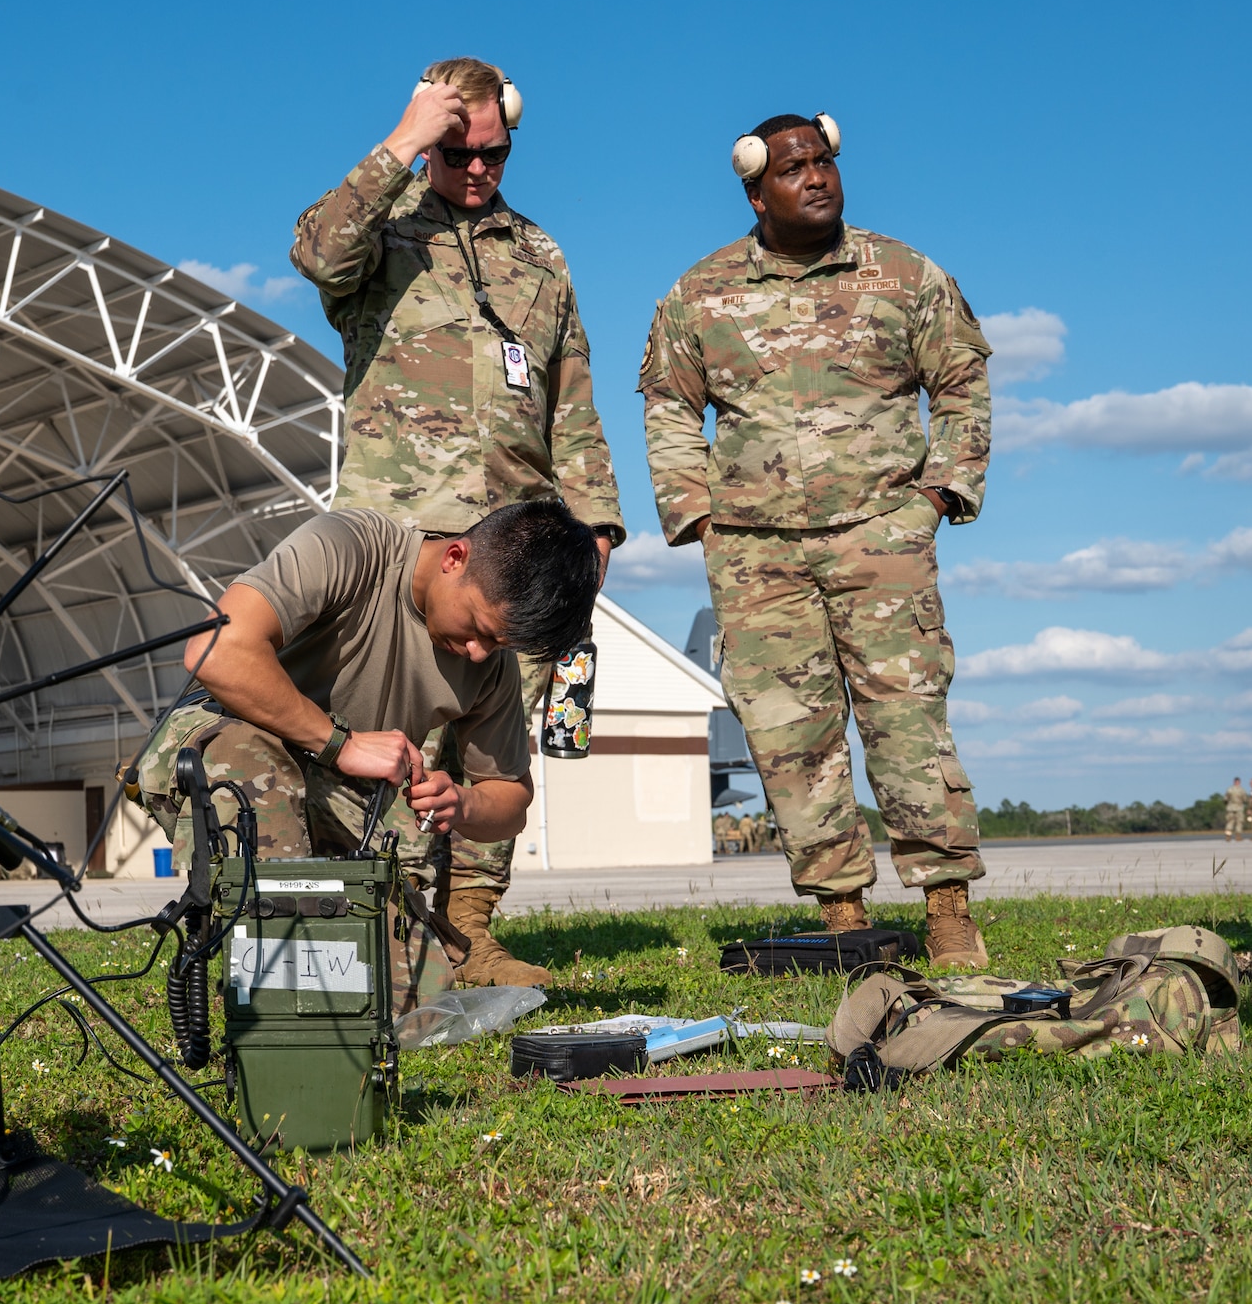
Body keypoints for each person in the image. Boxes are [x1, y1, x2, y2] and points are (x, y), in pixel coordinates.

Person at [290, 56, 625, 988]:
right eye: (458, 151)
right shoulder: (382, 229)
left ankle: (470, 928)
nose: (477, 171)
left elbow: (573, 394)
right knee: (384, 733)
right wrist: (402, 141)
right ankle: (374, 921)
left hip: (514, 545)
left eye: (495, 156)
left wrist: (594, 525)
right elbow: (317, 254)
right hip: (397, 542)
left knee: (492, 749)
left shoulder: (540, 254)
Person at [641, 113, 995, 971]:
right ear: (756, 190)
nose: (818, 178)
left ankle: (947, 911)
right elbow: (668, 402)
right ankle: (843, 919)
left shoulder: (904, 274)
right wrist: (697, 513)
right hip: (758, 553)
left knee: (906, 718)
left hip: (882, 535)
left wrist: (943, 488)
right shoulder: (702, 292)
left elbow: (962, 377)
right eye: (796, 168)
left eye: (825, 162)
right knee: (788, 734)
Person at [131, 499, 599, 968]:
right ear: (455, 558)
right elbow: (216, 650)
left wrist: (463, 802)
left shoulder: (488, 664)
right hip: (219, 745)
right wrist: (341, 744)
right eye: (479, 628)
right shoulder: (353, 546)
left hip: (334, 797)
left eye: (499, 642)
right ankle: (270, 979)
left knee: (412, 997)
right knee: (252, 763)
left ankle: (308, 962)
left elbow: (511, 798)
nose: (479, 653)